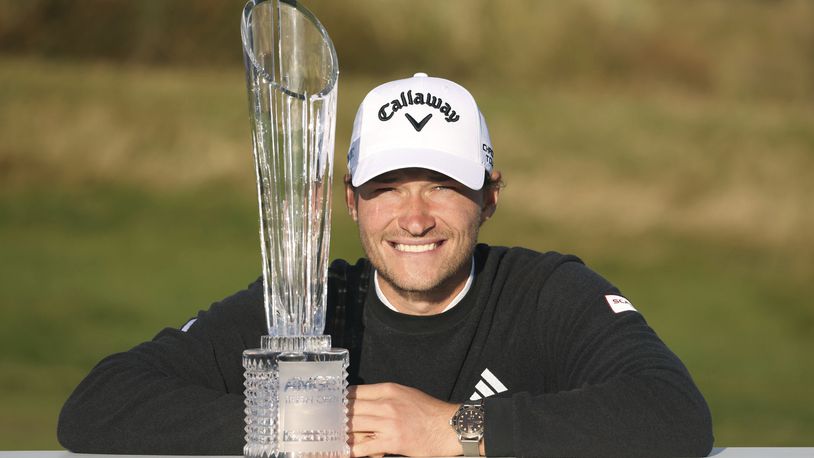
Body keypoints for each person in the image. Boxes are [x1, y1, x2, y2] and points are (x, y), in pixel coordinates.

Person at [58, 73, 714, 457]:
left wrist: (453, 431)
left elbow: (673, 412)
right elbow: (97, 405)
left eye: (443, 185)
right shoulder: (309, 302)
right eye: (388, 188)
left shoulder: (544, 294)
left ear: (490, 196)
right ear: (352, 202)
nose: (416, 216)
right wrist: (297, 427)